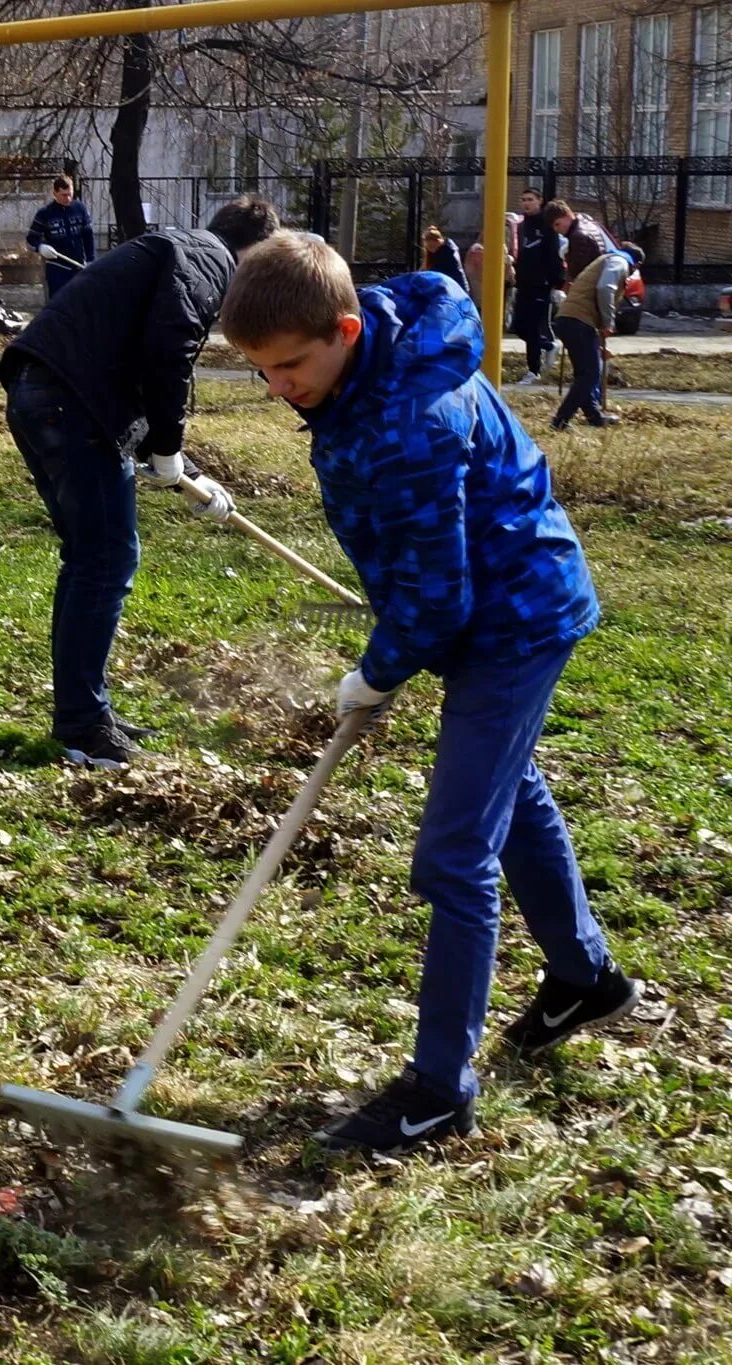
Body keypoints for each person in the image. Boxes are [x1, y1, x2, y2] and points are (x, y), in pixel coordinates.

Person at [217, 232, 634, 1157]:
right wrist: (395, 645)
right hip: (483, 608)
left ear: (347, 328)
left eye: (292, 366)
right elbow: (426, 577)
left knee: (452, 855)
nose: (281, 387)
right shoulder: (378, 364)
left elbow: (439, 599)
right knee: (507, 794)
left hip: (513, 620)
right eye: (263, 373)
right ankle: (585, 978)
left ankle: (441, 1089)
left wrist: (378, 669)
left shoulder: (409, 421)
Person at [0, 195, 281, 767]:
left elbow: (130, 366)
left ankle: (86, 710)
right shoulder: (208, 259)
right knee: (104, 562)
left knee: (90, 560)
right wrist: (169, 448)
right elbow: (167, 353)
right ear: (253, 252)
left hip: (43, 393)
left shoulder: (175, 250)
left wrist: (189, 470)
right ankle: (81, 724)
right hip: (67, 403)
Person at [551, 244, 640, 431]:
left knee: (585, 374)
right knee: (590, 375)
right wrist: (609, 322)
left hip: (569, 319)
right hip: (578, 321)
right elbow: (604, 289)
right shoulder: (619, 262)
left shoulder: (602, 261)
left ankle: (594, 416)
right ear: (636, 264)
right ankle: (560, 421)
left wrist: (599, 344)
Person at [511, 189, 563, 385]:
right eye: (523, 200)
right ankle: (548, 345)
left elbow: (554, 255)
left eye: (530, 200)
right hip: (523, 283)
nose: (526, 204)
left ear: (540, 201)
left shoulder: (547, 225)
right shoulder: (523, 224)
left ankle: (533, 371)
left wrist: (556, 283)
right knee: (518, 327)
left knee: (532, 327)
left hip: (541, 284)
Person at [26, 174, 95, 305]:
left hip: (78, 266)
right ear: (55, 193)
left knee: (80, 305)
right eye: (64, 195)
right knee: (59, 305)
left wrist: (91, 259)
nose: (68, 198)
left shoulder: (80, 209)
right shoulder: (45, 214)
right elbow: (31, 239)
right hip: (57, 268)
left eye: (70, 194)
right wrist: (40, 247)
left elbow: (88, 236)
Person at [421, 225, 467, 292]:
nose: (430, 248)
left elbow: (435, 274)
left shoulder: (446, 253)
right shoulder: (439, 252)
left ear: (438, 241)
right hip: (453, 287)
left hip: (455, 289)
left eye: (431, 246)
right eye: (428, 247)